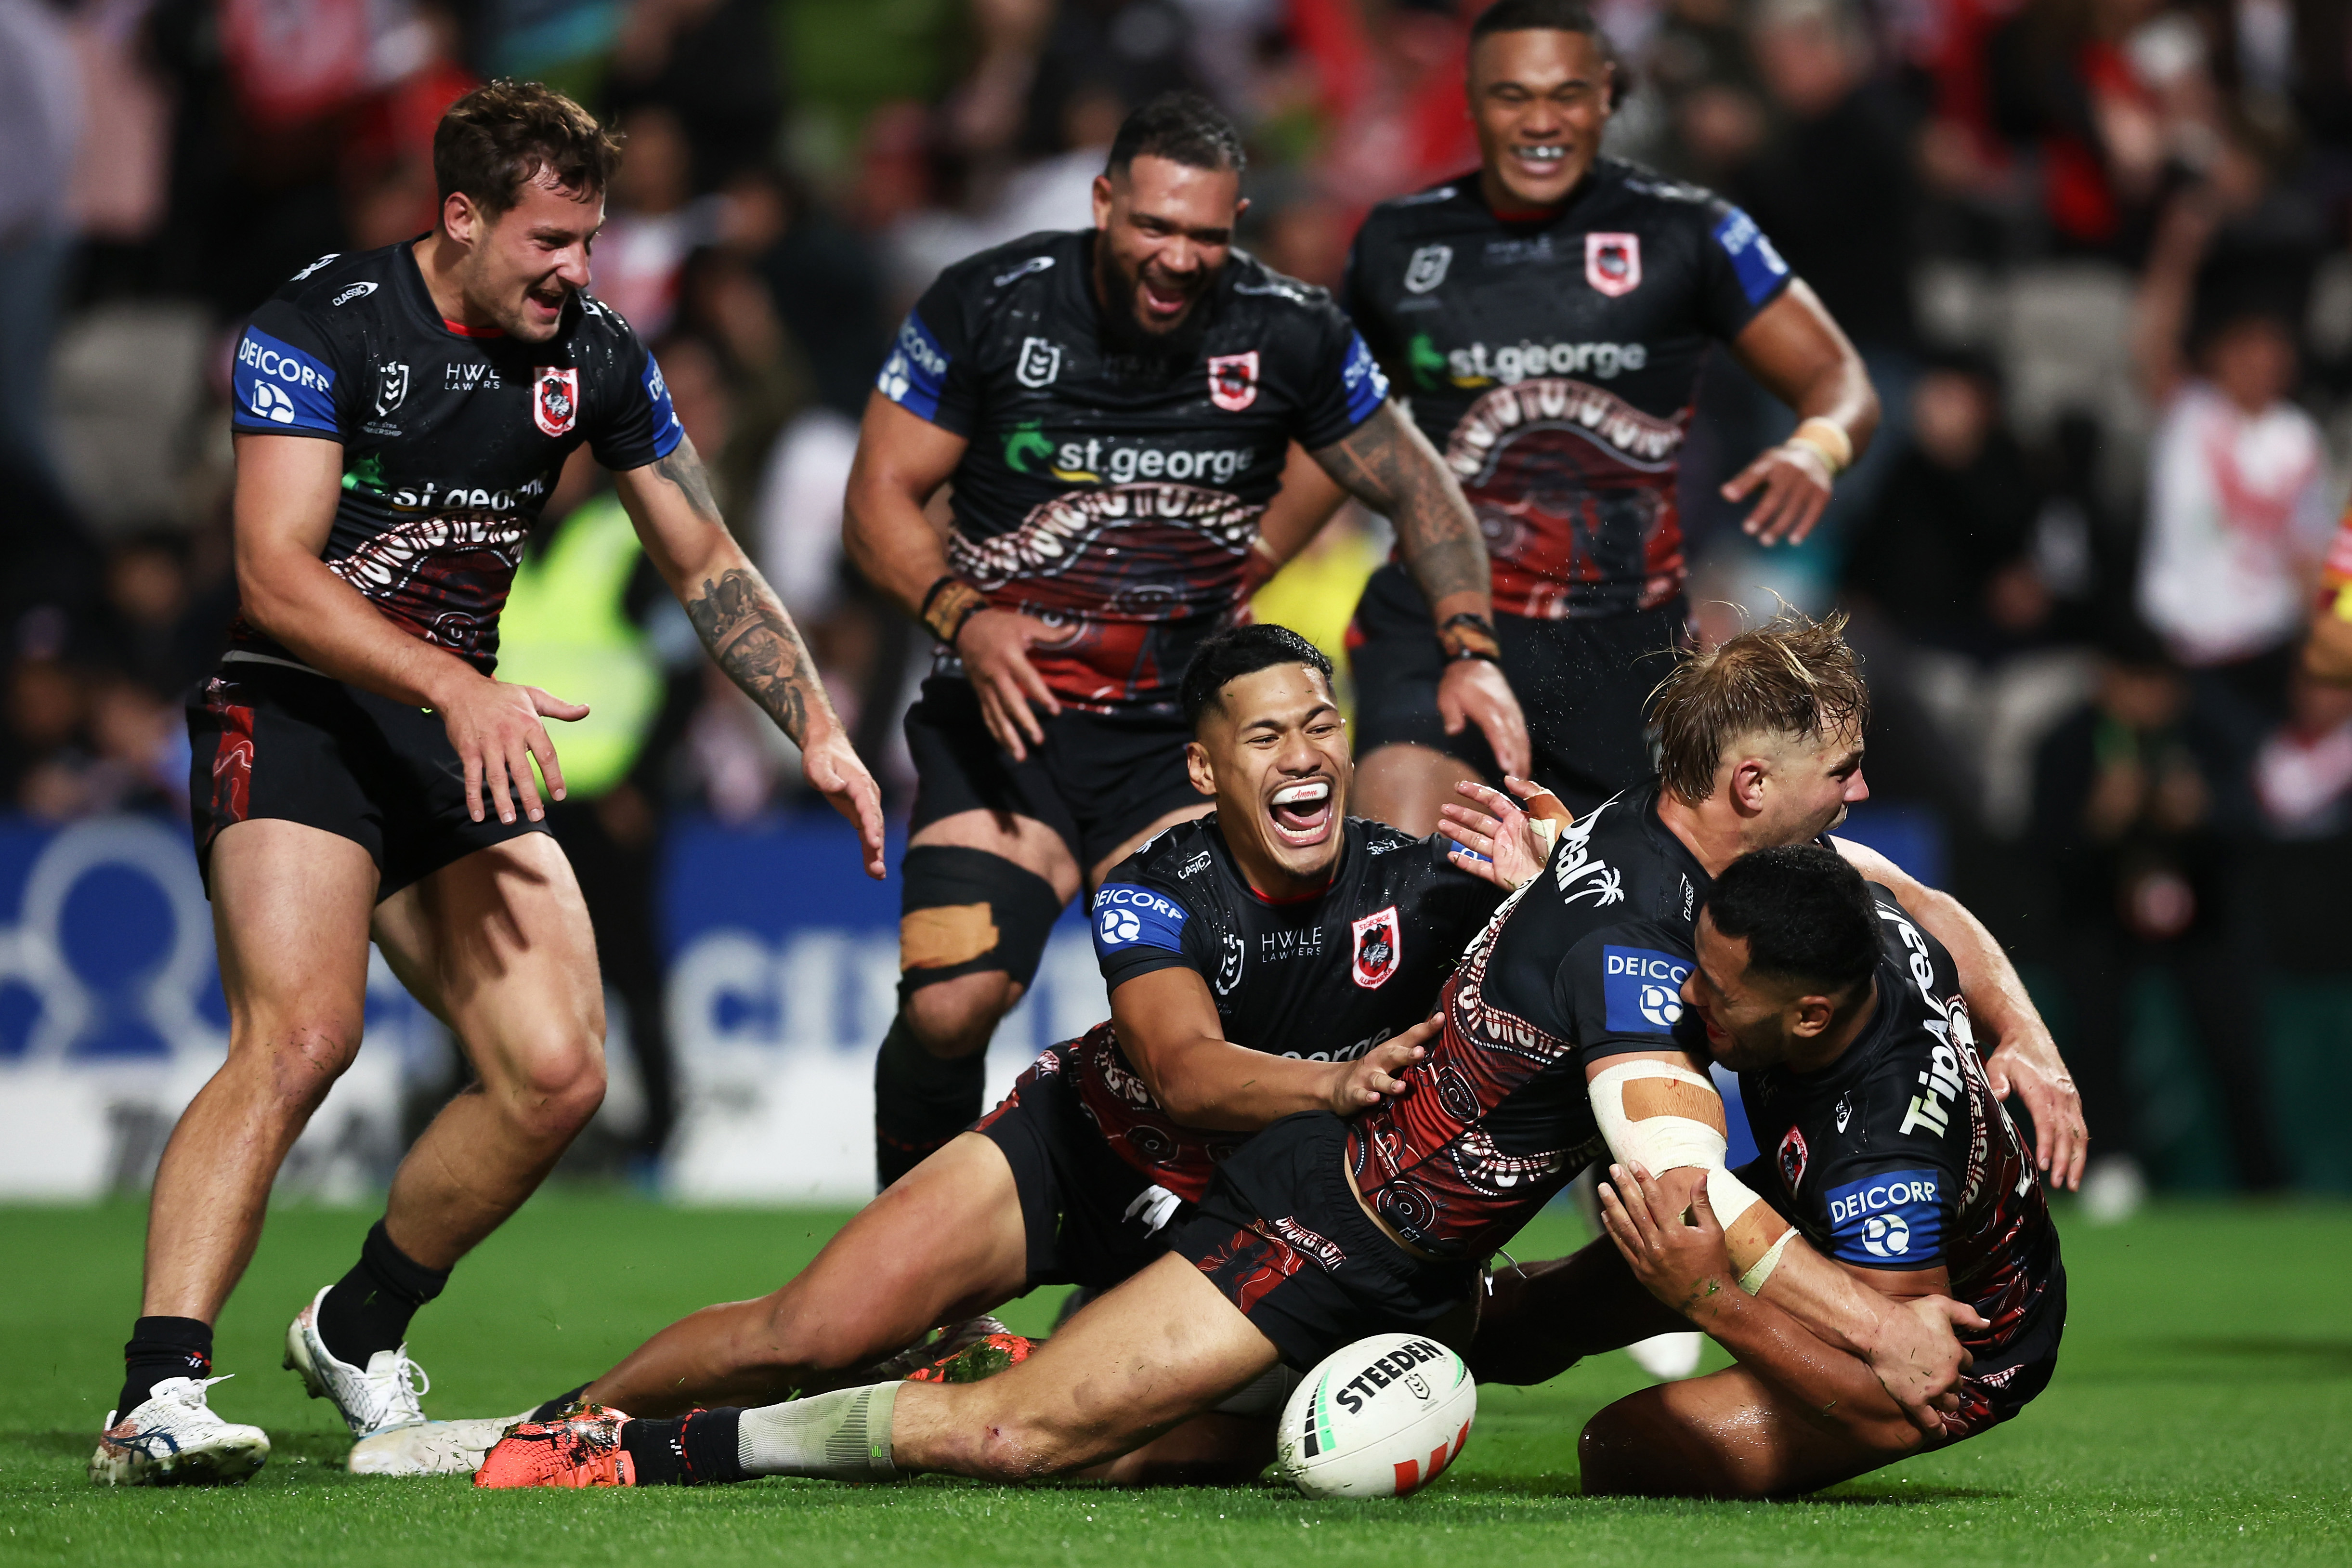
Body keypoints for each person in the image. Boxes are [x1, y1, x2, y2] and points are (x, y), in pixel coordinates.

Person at [472, 611, 2083, 1491]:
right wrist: (1873, 1342)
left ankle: (1021, 1369)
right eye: (1834, 776)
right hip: (1329, 1227)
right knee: (1022, 1440)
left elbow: (1898, 891)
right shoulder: (1637, 947)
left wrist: (2022, 1034)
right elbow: (1672, 1184)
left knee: (1151, 1448)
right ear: (1743, 789)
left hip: (1413, 1262)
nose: (1852, 798)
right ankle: (634, 1444)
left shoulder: (1686, 851)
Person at [91, 80, 884, 1488]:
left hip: (456, 727)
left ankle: (358, 1321)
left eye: (591, 239)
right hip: (306, 710)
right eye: (551, 241)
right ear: (458, 220)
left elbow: (703, 559)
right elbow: (275, 576)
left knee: (560, 1072)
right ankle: (159, 1391)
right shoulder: (320, 324)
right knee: (302, 1035)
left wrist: (813, 727)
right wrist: (454, 683)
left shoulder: (598, 355)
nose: (579, 271)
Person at [361, 623, 1541, 1478]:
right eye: (1268, 734)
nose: (1304, 758)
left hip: (1245, 1220)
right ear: (1204, 772)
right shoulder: (1151, 890)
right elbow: (1181, 1069)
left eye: (1322, 727)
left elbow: (1584, 955)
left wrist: (1542, 891)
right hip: (1082, 1150)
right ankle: (561, 1421)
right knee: (809, 1333)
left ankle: (931, 1400)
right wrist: (1335, 1081)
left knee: (1128, 1452)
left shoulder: (1426, 885)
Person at [842, 92, 1526, 1190]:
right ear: (1104, 202)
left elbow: (1419, 484)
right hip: (1005, 722)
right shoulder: (991, 302)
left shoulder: (1287, 328)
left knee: (1214, 1022)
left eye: (1206, 236)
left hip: (1178, 741)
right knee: (951, 1001)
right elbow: (876, 496)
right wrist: (966, 616)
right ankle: (909, 1268)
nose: (1178, 258)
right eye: (1155, 227)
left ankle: (1199, 1278)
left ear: (1236, 225)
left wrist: (1469, 643)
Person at [1264, 0, 1879, 830]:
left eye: (1565, 94)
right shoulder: (1400, 245)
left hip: (1622, 640)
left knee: (1587, 940)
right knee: (1401, 884)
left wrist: (1818, 445)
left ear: (1606, 98)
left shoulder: (1689, 234)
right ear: (1474, 102)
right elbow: (1339, 434)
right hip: (1441, 621)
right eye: (1513, 96)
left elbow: (1839, 378)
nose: (1540, 122)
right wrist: (1232, 578)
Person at [1570, 845, 2063, 1498]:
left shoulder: (1884, 1164)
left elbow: (1895, 1402)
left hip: (1966, 1346)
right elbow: (1921, 897)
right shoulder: (1841, 913)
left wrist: (1710, 1298)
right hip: (1810, 1192)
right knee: (1545, 1310)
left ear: (1809, 1016)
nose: (1690, 993)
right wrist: (2025, 1027)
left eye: (1719, 992)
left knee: (1622, 1448)